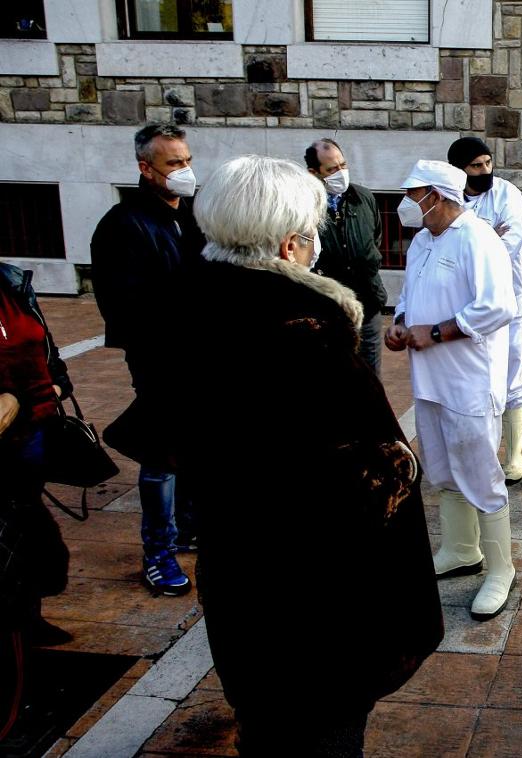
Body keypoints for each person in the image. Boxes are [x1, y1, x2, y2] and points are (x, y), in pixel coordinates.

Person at [161, 155, 442, 756]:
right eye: (313, 231)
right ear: (291, 245)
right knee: (316, 736)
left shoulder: (199, 309)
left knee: (264, 727)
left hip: (240, 579)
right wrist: (396, 465)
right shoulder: (300, 337)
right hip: (312, 607)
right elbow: (355, 483)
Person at [386, 160, 517, 621]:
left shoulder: (478, 239)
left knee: (480, 471)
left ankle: (501, 568)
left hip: (467, 379)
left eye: (413, 193)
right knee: (442, 466)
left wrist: (437, 332)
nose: (407, 203)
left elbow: (497, 306)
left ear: (438, 197)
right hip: (429, 378)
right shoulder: (423, 240)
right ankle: (462, 549)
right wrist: (401, 324)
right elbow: (409, 295)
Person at [91, 122, 205, 596]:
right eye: (173, 163)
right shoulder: (123, 226)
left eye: (187, 160)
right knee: (161, 457)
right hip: (160, 360)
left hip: (202, 356)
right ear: (146, 168)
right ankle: (158, 550)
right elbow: (125, 305)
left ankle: (188, 525)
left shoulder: (195, 214)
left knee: (196, 447)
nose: (184, 170)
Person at [0, 261, 76, 740]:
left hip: (33, 423)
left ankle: (30, 618)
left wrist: (58, 380)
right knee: (15, 541)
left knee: (30, 528)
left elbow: (40, 339)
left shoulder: (10, 282)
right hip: (5, 429)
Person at [446, 137, 522, 484]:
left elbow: (506, 246)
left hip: (505, 304)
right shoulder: (448, 196)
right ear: (459, 170)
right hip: (462, 307)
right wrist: (485, 235)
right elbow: (440, 242)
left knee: (510, 376)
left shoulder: (507, 193)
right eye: (476, 166)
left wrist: (469, 239)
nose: (485, 171)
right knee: (471, 380)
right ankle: (478, 452)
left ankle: (513, 456)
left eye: (488, 163)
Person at [304, 138, 388, 375]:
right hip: (329, 306)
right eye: (332, 169)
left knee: (370, 375)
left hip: (367, 301)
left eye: (343, 165)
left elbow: (374, 239)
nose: (341, 172)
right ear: (314, 172)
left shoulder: (363, 198)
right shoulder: (306, 205)